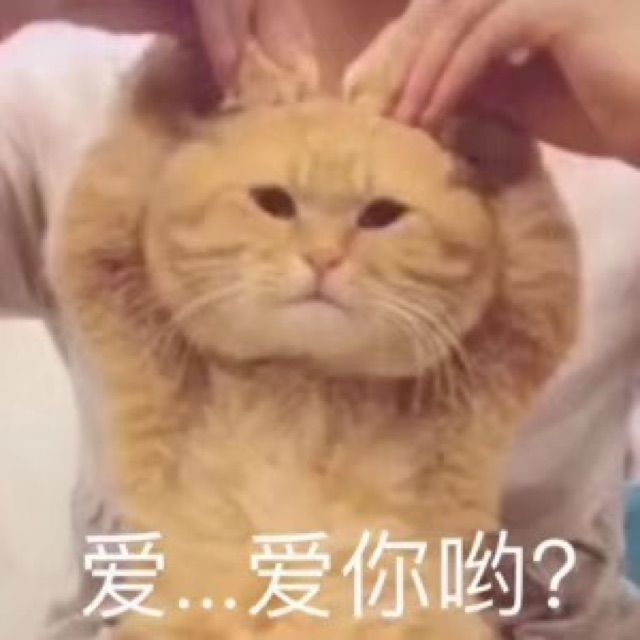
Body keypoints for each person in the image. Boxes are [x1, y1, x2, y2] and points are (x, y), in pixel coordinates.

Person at [1, 1, 640, 639]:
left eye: (380, 217)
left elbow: (528, 323)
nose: (324, 255)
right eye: (274, 204)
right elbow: (103, 260)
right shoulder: (81, 75)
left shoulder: (598, 83)